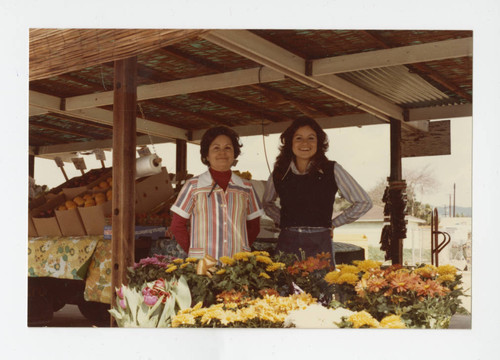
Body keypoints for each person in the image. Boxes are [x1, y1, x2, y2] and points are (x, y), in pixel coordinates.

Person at [262, 118, 372, 266]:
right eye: (298, 138)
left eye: (311, 138)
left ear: (319, 143)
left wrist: (334, 223)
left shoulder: (332, 169)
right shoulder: (280, 172)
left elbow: (364, 202)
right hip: (287, 242)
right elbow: (267, 203)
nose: (305, 143)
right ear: (290, 143)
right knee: (285, 287)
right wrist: (284, 221)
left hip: (320, 242)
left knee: (322, 287)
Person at [170, 126, 264, 260]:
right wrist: (194, 253)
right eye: (216, 148)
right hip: (203, 266)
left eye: (228, 148)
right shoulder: (193, 186)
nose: (222, 153)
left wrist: (241, 249)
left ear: (234, 153)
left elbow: (254, 227)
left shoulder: (246, 188)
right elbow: (177, 226)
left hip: (236, 266)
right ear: (207, 155)